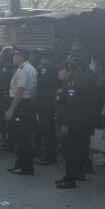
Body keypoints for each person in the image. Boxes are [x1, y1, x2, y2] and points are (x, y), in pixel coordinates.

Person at [54, 60, 90, 189]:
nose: (59, 72)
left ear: (68, 71)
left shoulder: (73, 86)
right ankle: (72, 175)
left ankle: (70, 179)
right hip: (74, 122)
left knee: (70, 151)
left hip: (72, 123)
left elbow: (72, 108)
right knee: (71, 150)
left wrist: (66, 124)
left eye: (61, 70)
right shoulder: (69, 84)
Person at [5, 47, 38, 175]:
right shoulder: (32, 68)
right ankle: (21, 164)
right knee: (24, 137)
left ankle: (25, 166)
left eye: (15, 55)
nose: (14, 57)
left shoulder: (23, 69)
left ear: (20, 56)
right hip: (27, 104)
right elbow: (34, 90)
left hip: (21, 105)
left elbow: (20, 90)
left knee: (22, 137)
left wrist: (11, 109)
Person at [34, 49, 59, 166]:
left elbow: (40, 85)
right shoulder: (56, 68)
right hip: (50, 102)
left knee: (46, 130)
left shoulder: (45, 68)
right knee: (50, 130)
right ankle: (51, 155)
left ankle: (48, 156)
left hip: (44, 102)